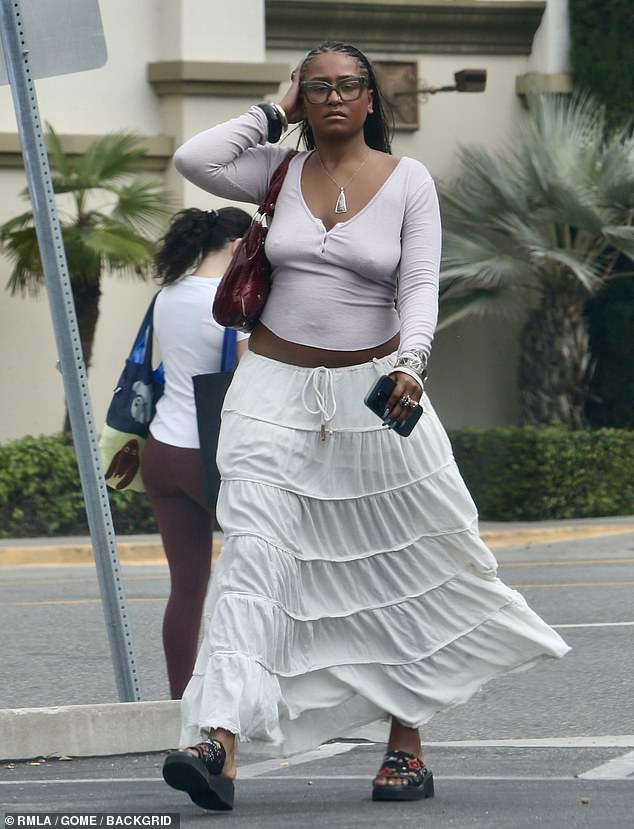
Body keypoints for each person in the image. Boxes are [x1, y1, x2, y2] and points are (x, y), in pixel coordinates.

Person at [161, 41, 570, 811]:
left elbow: (418, 283)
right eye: (317, 88)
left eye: (350, 85)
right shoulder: (276, 172)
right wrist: (272, 111)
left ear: (372, 99)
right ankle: (216, 739)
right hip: (270, 390)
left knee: (401, 563)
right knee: (254, 558)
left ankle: (405, 748)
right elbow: (195, 157)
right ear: (303, 98)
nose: (335, 97)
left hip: (377, 392)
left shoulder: (410, 181)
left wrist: (412, 362)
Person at [140, 206, 252, 699]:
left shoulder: (167, 295)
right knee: (272, 568)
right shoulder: (234, 304)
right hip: (205, 453)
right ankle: (270, 698)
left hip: (161, 449)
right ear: (234, 245)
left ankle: (179, 703)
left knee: (186, 587)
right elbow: (255, 374)